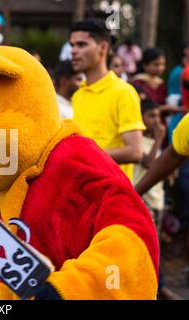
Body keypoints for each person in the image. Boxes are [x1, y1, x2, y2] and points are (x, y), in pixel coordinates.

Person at [70, 18, 145, 181]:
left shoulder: (123, 91)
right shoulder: (78, 95)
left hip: (113, 198)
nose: (74, 51)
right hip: (83, 195)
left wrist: (81, 156)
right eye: (72, 45)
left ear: (103, 48)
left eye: (81, 45)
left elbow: (135, 151)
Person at [132, 99, 182, 300]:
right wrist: (161, 138)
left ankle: (157, 286)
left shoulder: (154, 142)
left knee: (156, 247)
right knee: (146, 248)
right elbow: (149, 163)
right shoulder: (140, 141)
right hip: (145, 200)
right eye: (150, 116)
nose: (155, 120)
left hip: (157, 199)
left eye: (157, 116)